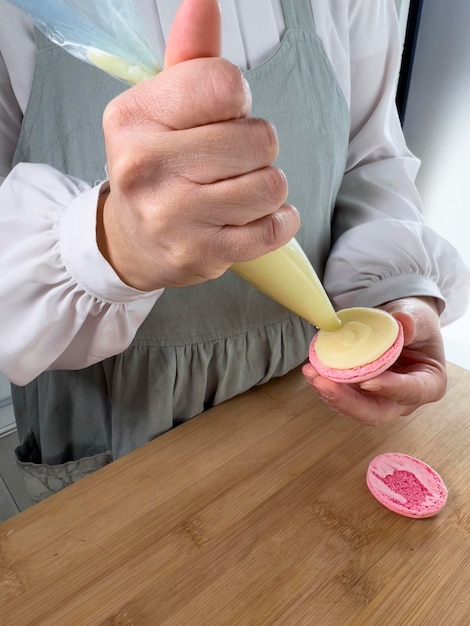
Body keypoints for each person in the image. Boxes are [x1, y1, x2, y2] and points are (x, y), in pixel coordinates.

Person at [0, 0, 468, 503]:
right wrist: (110, 243)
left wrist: (395, 297)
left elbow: (369, 159)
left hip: (310, 397)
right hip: (117, 419)